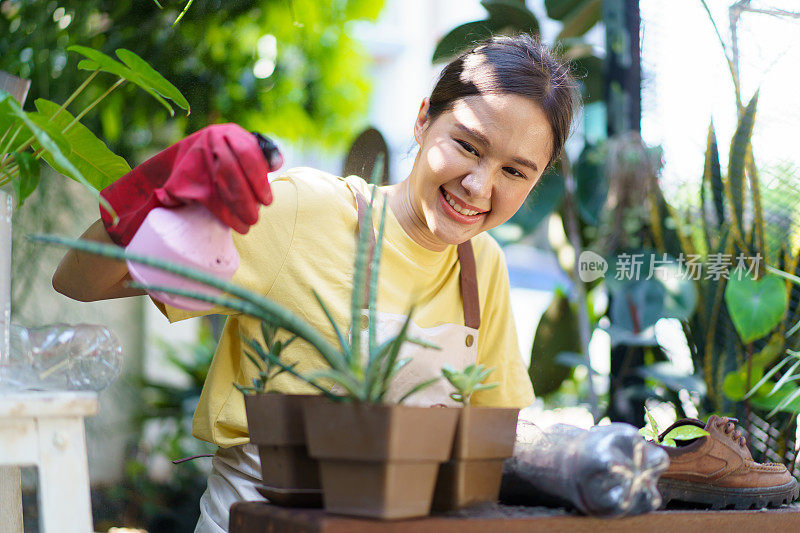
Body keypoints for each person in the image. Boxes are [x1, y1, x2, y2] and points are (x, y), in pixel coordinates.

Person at [52, 34, 579, 532]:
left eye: (515, 172)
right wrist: (157, 186)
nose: (479, 185)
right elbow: (79, 279)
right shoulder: (302, 211)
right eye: (468, 146)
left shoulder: (481, 265)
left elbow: (495, 438)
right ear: (423, 120)